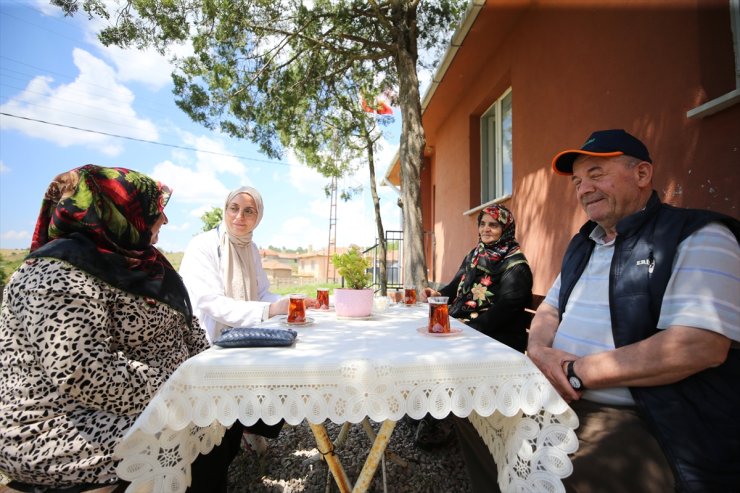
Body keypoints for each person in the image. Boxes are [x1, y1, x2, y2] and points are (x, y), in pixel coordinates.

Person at [0, 165, 242, 492]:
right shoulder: (56, 273)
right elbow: (84, 371)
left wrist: (210, 375)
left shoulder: (144, 262)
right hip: (61, 425)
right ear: (116, 211)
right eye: (155, 211)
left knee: (224, 412)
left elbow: (189, 330)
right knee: (184, 428)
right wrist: (179, 390)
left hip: (143, 399)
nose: (165, 220)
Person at [522, 129, 739, 493]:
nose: (584, 189)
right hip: (563, 393)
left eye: (596, 174)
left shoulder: (698, 233)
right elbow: (549, 308)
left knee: (550, 470)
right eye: (577, 181)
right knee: (476, 420)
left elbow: (698, 345)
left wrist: (576, 373)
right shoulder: (583, 243)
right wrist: (539, 352)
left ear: (642, 175)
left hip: (645, 416)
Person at [179, 186, 303, 449]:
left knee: (278, 377)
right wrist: (270, 310)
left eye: (249, 211)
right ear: (225, 209)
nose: (239, 217)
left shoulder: (251, 248)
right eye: (233, 208)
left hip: (241, 336)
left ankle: (246, 426)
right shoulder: (203, 245)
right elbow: (209, 302)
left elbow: (261, 294)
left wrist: (291, 299)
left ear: (258, 217)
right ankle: (229, 439)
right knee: (216, 428)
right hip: (209, 340)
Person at [416, 204, 533, 448]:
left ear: (506, 229)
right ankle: (428, 407)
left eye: (493, 225)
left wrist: (470, 330)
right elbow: (456, 284)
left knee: (439, 346)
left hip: (498, 336)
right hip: (471, 327)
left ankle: (441, 419)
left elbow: (508, 306)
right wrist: (437, 293)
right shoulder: (476, 254)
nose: (486, 229)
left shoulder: (515, 264)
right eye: (482, 224)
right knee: (421, 338)